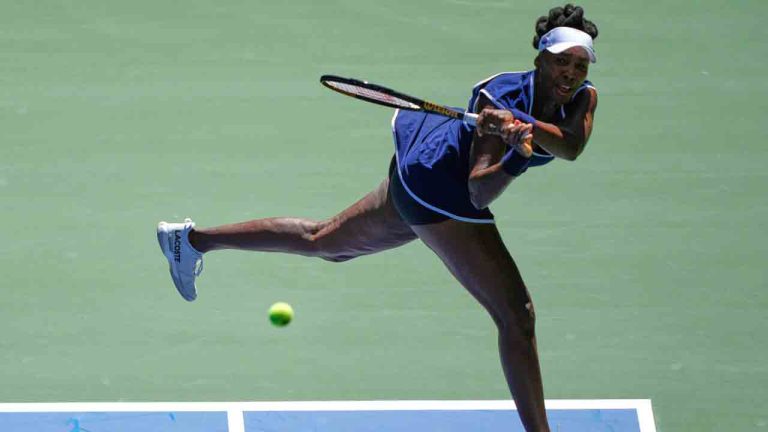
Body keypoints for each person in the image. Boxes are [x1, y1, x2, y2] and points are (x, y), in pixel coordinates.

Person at [156, 4, 598, 431]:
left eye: (581, 65)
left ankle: (190, 241)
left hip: (420, 177)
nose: (572, 74)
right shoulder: (496, 96)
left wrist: (523, 129)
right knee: (516, 317)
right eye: (564, 62)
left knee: (323, 240)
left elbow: (571, 146)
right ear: (541, 57)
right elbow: (479, 192)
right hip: (438, 189)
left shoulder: (583, 99)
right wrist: (515, 156)